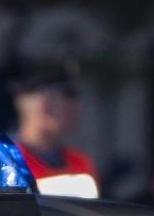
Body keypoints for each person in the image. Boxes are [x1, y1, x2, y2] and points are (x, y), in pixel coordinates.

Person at [9, 60, 100, 198]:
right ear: (45, 107)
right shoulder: (3, 163)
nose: (76, 107)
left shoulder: (79, 163)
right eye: (67, 96)